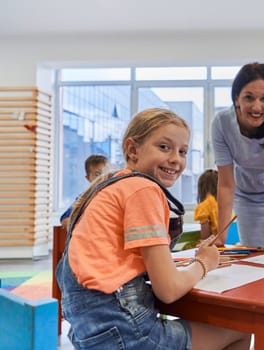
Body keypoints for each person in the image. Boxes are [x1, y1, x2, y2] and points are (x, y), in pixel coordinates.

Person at [55, 108, 250, 350]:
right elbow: (168, 290)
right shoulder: (143, 190)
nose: (176, 159)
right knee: (241, 330)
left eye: (182, 151)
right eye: (164, 147)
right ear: (132, 150)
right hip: (127, 332)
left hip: (89, 333)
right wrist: (204, 263)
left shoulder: (110, 185)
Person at [211, 62, 264, 249]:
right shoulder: (222, 122)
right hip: (245, 195)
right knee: (251, 251)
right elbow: (226, 184)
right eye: (249, 97)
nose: (256, 107)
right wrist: (220, 237)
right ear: (236, 99)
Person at [59, 154, 110, 229]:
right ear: (88, 178)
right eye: (97, 174)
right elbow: (65, 219)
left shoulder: (117, 194)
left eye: (106, 172)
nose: (102, 177)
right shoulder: (85, 197)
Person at [194, 169, 219, 240]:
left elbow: (205, 236)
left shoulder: (203, 207)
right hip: (231, 243)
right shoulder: (224, 204)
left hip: (216, 244)